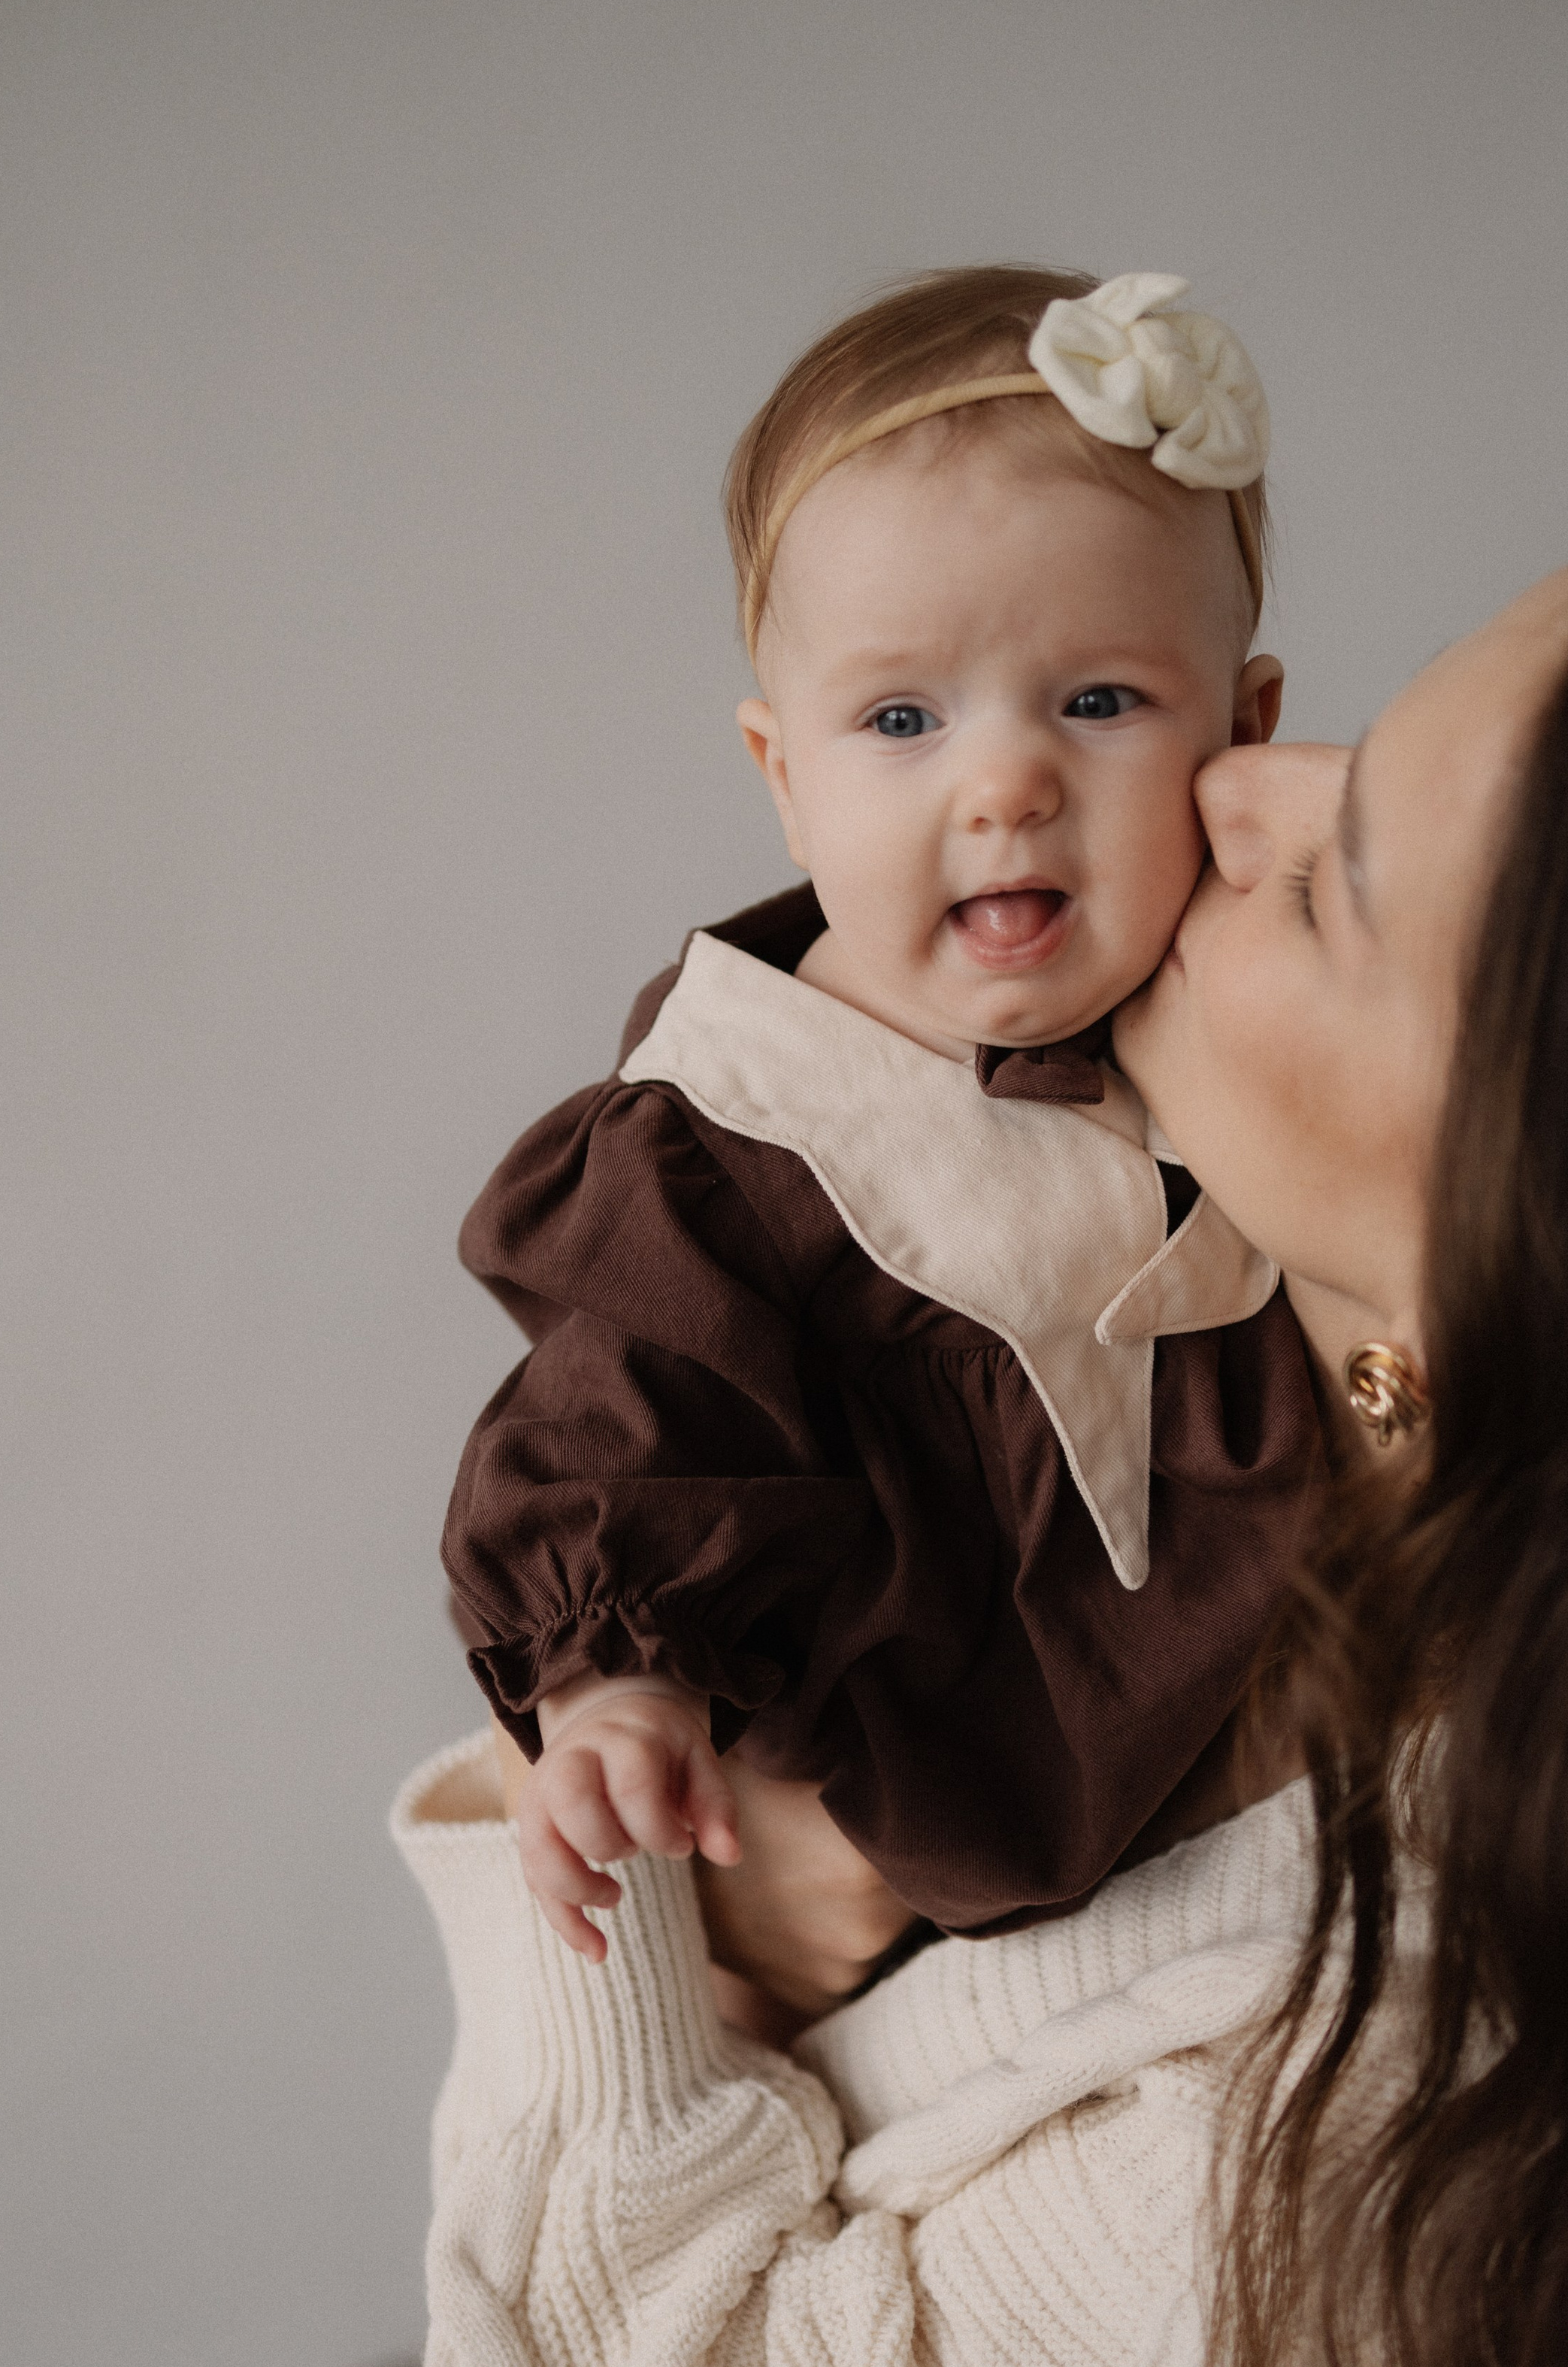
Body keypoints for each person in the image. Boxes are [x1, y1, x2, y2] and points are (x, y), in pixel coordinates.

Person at [399, 490, 1568, 2367]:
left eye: (1330, 875)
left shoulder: (1425, 2079)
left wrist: (654, 1937)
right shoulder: (1183, 1424)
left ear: (1534, 1237)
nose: (1226, 785)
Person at [440, 265, 1321, 1968]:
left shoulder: (1280, 1020)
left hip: (1248, 1838)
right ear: (785, 773)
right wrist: (622, 1691)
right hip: (885, 1893)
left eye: (1098, 702)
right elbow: (634, 1425)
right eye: (902, 720)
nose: (1004, 785)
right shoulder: (732, 1131)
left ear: (1247, 732)